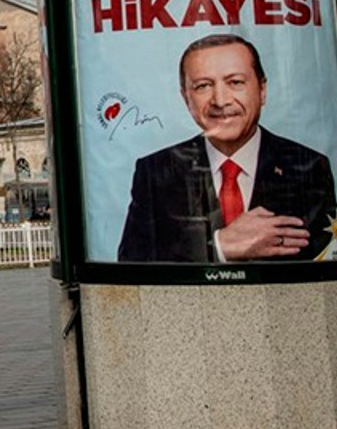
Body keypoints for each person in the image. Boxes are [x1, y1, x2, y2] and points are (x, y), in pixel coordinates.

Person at [118, 34, 336, 262]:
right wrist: (219, 247)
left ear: (262, 90)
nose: (220, 101)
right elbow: (132, 269)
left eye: (235, 82)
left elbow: (325, 273)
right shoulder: (156, 171)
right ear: (186, 98)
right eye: (203, 86)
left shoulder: (308, 166)